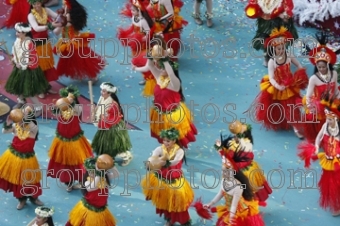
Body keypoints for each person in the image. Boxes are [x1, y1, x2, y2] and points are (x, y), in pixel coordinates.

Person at [248, 26, 308, 138]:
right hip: (278, 86)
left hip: (290, 85)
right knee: (279, 107)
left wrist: (300, 72)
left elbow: (298, 65)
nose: (281, 50)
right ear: (274, 49)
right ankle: (284, 121)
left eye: (282, 48)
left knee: (292, 106)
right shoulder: (272, 61)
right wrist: (277, 86)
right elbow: (271, 77)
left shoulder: (289, 55)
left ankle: (296, 126)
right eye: (278, 48)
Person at [133, 44, 197, 148]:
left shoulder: (174, 84)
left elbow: (171, 74)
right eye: (160, 67)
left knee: (175, 135)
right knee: (164, 135)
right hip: (159, 113)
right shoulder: (159, 78)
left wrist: (165, 59)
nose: (160, 68)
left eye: (163, 68)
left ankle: (178, 149)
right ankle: (168, 147)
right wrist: (150, 56)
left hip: (172, 116)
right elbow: (150, 66)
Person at [141, 128, 194, 226]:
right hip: (162, 180)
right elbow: (153, 157)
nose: (165, 142)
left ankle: (184, 221)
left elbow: (176, 161)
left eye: (168, 141)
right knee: (165, 201)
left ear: (174, 140)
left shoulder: (179, 151)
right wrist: (151, 161)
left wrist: (164, 162)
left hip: (175, 181)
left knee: (177, 202)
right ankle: (169, 219)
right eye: (164, 140)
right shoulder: (160, 149)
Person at [298, 98, 340, 216]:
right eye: (327, 118)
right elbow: (319, 137)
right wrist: (316, 146)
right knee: (330, 183)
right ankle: (336, 203)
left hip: (338, 162)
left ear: (336, 118)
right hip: (328, 160)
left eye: (330, 119)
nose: (327, 120)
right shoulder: (325, 126)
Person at [47, 86, 93, 192]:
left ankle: (81, 182)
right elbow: (57, 110)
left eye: (70, 98)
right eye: (66, 98)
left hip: (75, 140)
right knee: (65, 163)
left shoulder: (77, 108)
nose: (68, 100)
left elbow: (77, 114)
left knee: (78, 161)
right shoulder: (61, 107)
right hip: (62, 140)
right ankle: (69, 183)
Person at [215, 120, 272, 206]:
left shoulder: (241, 146)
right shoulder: (244, 144)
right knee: (249, 189)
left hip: (240, 171)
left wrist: (220, 150)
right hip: (241, 169)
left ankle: (248, 205)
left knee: (247, 189)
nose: (235, 136)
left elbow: (227, 159)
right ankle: (248, 203)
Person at [0, 107, 44, 210]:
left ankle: (34, 198)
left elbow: (28, 126)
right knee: (18, 180)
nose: (20, 116)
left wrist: (25, 118)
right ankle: (21, 199)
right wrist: (9, 122)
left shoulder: (33, 128)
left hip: (28, 160)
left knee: (31, 180)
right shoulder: (16, 126)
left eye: (23, 115)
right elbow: (4, 131)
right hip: (14, 157)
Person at [203, 154, 265, 226]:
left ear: (233, 172)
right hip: (230, 210)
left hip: (238, 212)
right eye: (223, 171)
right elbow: (220, 194)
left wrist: (231, 218)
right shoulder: (223, 181)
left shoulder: (238, 187)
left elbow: (234, 205)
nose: (225, 174)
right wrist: (210, 203)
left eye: (227, 171)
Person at [302, 31, 340, 143]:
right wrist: (311, 108)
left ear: (328, 65)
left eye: (324, 67)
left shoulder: (334, 74)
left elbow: (336, 89)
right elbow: (308, 96)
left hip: (332, 103)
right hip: (318, 105)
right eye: (319, 67)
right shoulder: (313, 79)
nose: (321, 69)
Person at [53, 0, 104, 83]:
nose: (62, 7)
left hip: (73, 43)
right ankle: (88, 75)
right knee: (77, 59)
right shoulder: (66, 16)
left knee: (81, 59)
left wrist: (55, 23)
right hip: (68, 41)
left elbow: (57, 30)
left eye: (64, 5)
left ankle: (93, 76)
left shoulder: (67, 17)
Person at [4, 22, 49, 110]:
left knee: (28, 91)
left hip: (29, 71)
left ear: (24, 33)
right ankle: (21, 101)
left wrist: (22, 64)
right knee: (18, 86)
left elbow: (34, 60)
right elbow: (16, 53)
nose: (16, 34)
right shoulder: (18, 41)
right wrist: (14, 60)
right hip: (19, 69)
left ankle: (38, 107)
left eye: (18, 32)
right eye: (16, 31)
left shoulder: (29, 44)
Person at [65, 155, 118, 226]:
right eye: (89, 171)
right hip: (88, 212)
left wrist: (111, 164)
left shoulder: (104, 179)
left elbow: (116, 174)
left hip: (101, 211)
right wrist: (99, 172)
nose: (90, 173)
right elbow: (93, 187)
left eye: (93, 172)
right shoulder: (88, 182)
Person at [117, 0, 157, 95]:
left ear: (139, 11)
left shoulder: (143, 21)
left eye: (134, 10)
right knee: (137, 61)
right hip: (135, 43)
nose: (131, 11)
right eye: (132, 10)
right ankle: (144, 76)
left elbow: (148, 32)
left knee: (144, 61)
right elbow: (133, 27)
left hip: (143, 45)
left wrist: (143, 39)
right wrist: (128, 34)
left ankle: (148, 76)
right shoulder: (134, 18)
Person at [245, 0, 299, 67]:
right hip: (266, 21)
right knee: (267, 39)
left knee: (282, 38)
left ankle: (282, 56)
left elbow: (288, 6)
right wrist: (252, 9)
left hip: (281, 20)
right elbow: (253, 7)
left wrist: (285, 15)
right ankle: (268, 56)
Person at [91, 82, 133, 166]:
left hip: (113, 127)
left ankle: (127, 156)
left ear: (109, 93)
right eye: (101, 91)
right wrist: (94, 112)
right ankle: (106, 157)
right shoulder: (102, 98)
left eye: (104, 91)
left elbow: (114, 118)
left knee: (115, 146)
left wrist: (102, 118)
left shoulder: (113, 104)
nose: (101, 93)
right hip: (105, 125)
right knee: (104, 145)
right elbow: (99, 107)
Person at [28, 0, 60, 98]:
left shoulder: (46, 10)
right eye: (34, 4)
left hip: (45, 42)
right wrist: (51, 25)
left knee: (47, 65)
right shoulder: (30, 15)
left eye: (38, 3)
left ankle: (46, 86)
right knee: (39, 67)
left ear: (41, 3)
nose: (36, 6)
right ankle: (39, 88)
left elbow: (57, 16)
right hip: (36, 44)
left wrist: (63, 17)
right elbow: (36, 28)